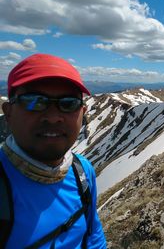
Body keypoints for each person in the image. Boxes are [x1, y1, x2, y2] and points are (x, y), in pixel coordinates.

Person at [0, 54, 106, 248]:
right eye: (34, 101)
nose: (53, 117)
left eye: (68, 103)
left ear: (83, 113)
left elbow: (93, 234)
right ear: (8, 112)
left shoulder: (82, 171)